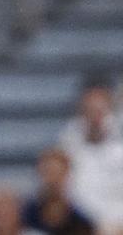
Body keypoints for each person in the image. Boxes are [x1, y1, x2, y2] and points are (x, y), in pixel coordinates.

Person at [58, 80, 123, 233]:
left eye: (100, 110)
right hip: (80, 223)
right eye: (89, 110)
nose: (95, 116)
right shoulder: (68, 141)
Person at [21, 149, 96, 235]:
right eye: (48, 172)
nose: (53, 179)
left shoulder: (81, 215)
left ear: (67, 174)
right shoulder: (26, 213)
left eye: (57, 173)